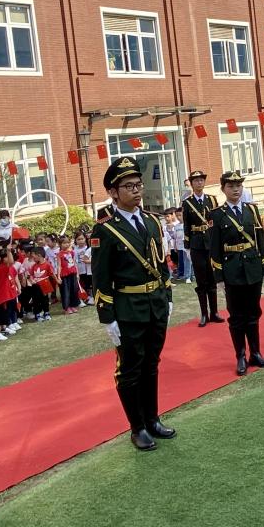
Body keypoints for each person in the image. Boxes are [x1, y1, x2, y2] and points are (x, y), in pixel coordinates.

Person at [91, 157, 176, 452]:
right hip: (128, 308)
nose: (137, 190)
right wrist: (107, 318)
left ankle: (152, 419)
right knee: (130, 369)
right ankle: (137, 427)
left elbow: (161, 263)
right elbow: (100, 278)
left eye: (138, 184)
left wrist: (167, 296)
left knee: (151, 364)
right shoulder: (105, 230)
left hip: (155, 304)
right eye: (129, 186)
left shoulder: (151, 221)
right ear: (113, 192)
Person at [207, 171, 264, 376]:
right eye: (231, 186)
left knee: (253, 313)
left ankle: (256, 353)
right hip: (231, 270)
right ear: (223, 189)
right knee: (236, 316)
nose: (236, 189)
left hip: (252, 268)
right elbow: (214, 248)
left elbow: (260, 240)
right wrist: (219, 277)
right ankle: (241, 356)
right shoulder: (217, 214)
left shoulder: (251, 210)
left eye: (238, 186)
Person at [180, 170, 222, 327]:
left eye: (201, 180)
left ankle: (214, 312)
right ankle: (204, 314)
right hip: (196, 244)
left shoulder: (212, 200)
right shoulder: (187, 203)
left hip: (211, 242)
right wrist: (187, 247)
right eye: (196, 180)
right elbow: (186, 226)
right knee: (201, 280)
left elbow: (216, 222)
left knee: (212, 278)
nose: (199, 183)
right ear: (191, 184)